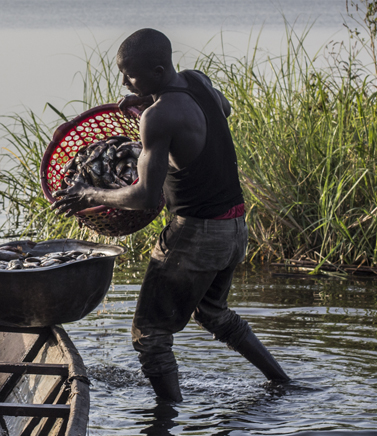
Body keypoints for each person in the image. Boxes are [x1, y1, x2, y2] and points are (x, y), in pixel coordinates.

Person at [53, 28, 289, 402]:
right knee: (213, 314)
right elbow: (223, 108)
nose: (124, 81)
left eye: (130, 74)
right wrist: (147, 95)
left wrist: (89, 193)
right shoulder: (197, 80)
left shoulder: (158, 118)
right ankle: (283, 382)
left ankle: (167, 420)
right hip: (235, 228)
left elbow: (146, 196)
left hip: (196, 234)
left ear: (159, 70)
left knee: (149, 335)